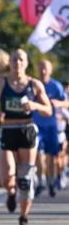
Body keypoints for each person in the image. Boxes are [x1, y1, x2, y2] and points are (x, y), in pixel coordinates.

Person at [0, 49, 52, 225]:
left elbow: (48, 110)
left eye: (21, 59)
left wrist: (34, 105)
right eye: (14, 59)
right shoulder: (0, 83)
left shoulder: (34, 85)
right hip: (7, 129)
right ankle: (11, 193)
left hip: (27, 129)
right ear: (10, 63)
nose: (17, 62)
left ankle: (23, 217)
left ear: (26, 63)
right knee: (6, 177)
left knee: (25, 178)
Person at [33, 59, 69, 197]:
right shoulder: (34, 84)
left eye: (45, 68)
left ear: (50, 70)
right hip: (37, 126)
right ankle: (41, 181)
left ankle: (51, 181)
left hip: (52, 126)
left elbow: (66, 102)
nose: (43, 71)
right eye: (41, 68)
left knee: (52, 157)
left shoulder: (56, 86)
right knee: (38, 154)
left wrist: (58, 103)